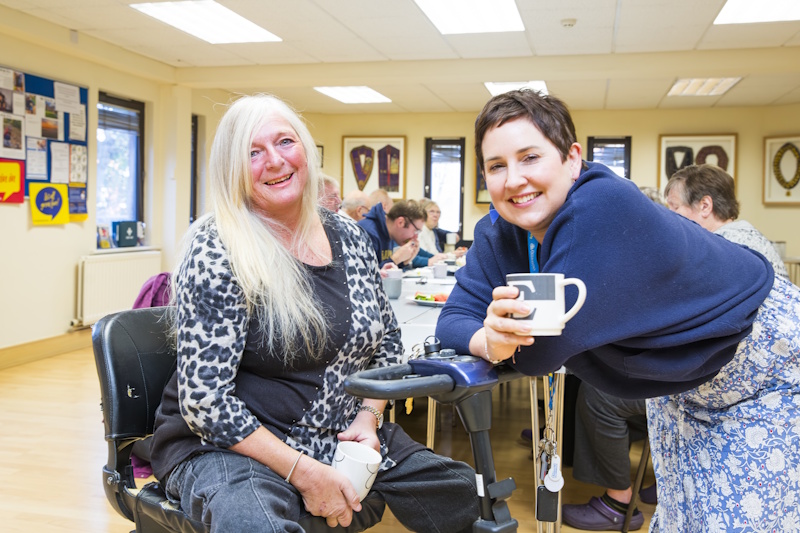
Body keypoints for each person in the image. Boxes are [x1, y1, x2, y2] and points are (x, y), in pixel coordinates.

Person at [436, 89, 800, 532]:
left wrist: (506, 342)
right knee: (684, 519)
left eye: (530, 157)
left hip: (766, 365)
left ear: (572, 159)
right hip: (681, 383)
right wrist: (488, 340)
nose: (513, 180)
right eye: (496, 166)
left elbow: (544, 350)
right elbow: (453, 319)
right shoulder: (498, 231)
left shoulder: (603, 204)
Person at [149, 94, 479, 533]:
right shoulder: (218, 249)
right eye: (252, 152)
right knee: (256, 524)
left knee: (457, 490)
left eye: (285, 142)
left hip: (339, 431)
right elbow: (205, 402)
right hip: (234, 445)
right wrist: (304, 473)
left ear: (305, 149)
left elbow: (388, 346)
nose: (274, 161)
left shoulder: (349, 236)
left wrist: (369, 418)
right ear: (231, 169)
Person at [664, 164, 789, 279]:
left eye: (675, 207)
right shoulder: (746, 236)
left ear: (705, 206)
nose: (670, 214)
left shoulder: (724, 250)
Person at [358, 199, 445, 271]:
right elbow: (366, 277)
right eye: (415, 231)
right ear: (400, 222)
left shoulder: (391, 234)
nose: (415, 237)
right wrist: (396, 259)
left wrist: (404, 262)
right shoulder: (367, 232)